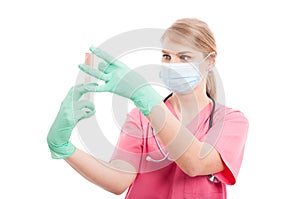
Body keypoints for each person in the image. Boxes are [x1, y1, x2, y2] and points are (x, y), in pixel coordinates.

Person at [47, 18, 248, 199]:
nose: (173, 64)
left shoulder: (230, 122)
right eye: (167, 56)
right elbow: (118, 180)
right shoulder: (141, 118)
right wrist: (64, 147)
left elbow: (195, 163)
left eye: (184, 57)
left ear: (210, 61)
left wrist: (143, 94)